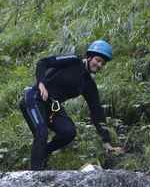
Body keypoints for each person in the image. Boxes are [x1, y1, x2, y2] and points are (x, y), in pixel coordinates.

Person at [18, 40, 124, 171]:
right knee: (41, 133)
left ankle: (44, 153)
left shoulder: (88, 84)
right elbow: (43, 63)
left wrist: (107, 142)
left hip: (52, 107)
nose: (99, 64)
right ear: (89, 56)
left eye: (102, 63)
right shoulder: (73, 61)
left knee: (69, 132)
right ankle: (35, 174)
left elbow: (97, 111)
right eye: (97, 60)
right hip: (35, 98)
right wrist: (41, 83)